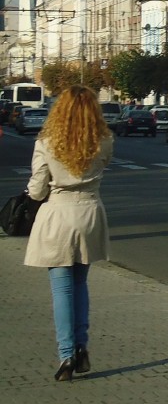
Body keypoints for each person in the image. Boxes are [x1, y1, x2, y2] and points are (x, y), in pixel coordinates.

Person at [24, 84, 114, 382]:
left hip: (58, 217)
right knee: (80, 285)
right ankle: (82, 346)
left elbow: (37, 190)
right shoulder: (103, 140)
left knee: (61, 289)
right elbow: (103, 168)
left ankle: (66, 355)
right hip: (89, 213)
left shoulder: (47, 142)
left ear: (59, 110)